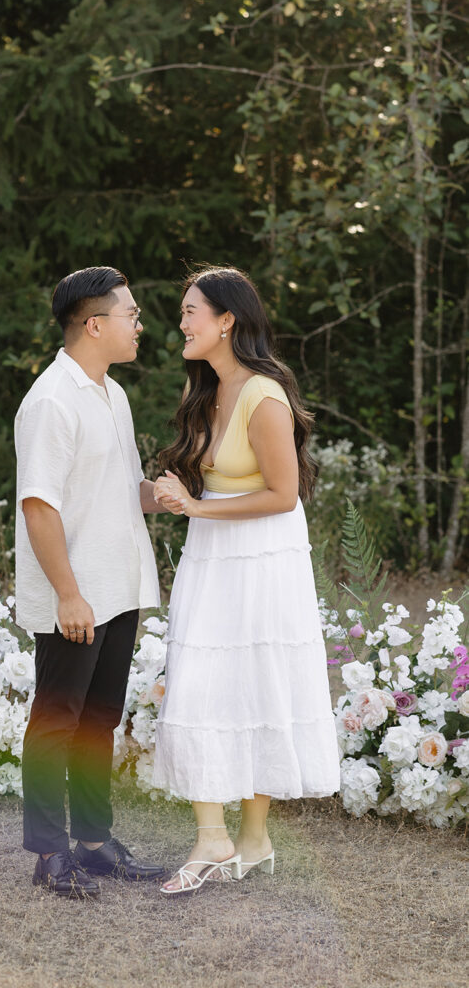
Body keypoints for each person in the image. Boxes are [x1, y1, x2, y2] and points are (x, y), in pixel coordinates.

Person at [152, 265, 340, 895]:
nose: (181, 323)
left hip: (262, 558)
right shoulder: (205, 392)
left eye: (189, 311)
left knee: (258, 684)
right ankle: (214, 837)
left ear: (226, 320)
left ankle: (252, 840)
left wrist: (198, 508)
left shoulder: (264, 394)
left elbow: (284, 494)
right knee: (202, 682)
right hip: (211, 557)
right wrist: (166, 499)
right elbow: (199, 486)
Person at [14, 265, 167, 899]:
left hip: (118, 586)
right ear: (95, 324)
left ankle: (96, 844)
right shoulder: (51, 400)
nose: (141, 324)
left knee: (99, 720)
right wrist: (69, 595)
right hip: (75, 595)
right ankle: (50, 854)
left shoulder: (112, 393)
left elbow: (121, 492)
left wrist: (165, 496)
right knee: (57, 720)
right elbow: (38, 505)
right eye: (131, 314)